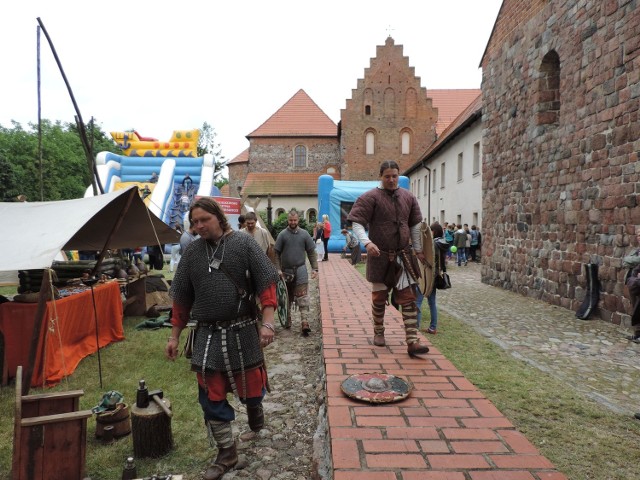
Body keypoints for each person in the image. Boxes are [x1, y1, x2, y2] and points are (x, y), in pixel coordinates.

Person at [165, 197, 279, 480]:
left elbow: (267, 283)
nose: (199, 225)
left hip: (243, 330)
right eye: (195, 222)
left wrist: (268, 323)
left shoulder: (244, 243)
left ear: (218, 217)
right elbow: (181, 299)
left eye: (204, 219)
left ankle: (254, 406)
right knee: (209, 394)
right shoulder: (192, 254)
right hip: (207, 334)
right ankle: (227, 452)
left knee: (251, 390)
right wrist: (174, 337)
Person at [347, 160, 429, 357]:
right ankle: (379, 331)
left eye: (394, 176)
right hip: (379, 256)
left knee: (408, 298)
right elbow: (357, 223)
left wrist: (418, 250)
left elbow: (415, 226)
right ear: (381, 176)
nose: (391, 179)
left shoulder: (408, 197)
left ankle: (412, 341)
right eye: (387, 176)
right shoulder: (370, 197)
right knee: (379, 296)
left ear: (398, 176)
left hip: (403, 256)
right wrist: (367, 243)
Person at [274, 209, 319, 335]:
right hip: (285, 271)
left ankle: (304, 322)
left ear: (298, 220)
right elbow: (276, 253)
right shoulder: (282, 235)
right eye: (290, 220)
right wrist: (278, 269)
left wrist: (315, 268)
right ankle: (287, 319)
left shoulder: (304, 234)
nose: (292, 222)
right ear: (288, 220)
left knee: (303, 296)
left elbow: (311, 252)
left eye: (294, 220)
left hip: (301, 269)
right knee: (286, 297)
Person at [623, 227, 640, 343]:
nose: (639, 238)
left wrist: (633, 260)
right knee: (635, 309)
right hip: (634, 283)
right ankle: (637, 334)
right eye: (638, 235)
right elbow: (625, 261)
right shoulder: (637, 250)